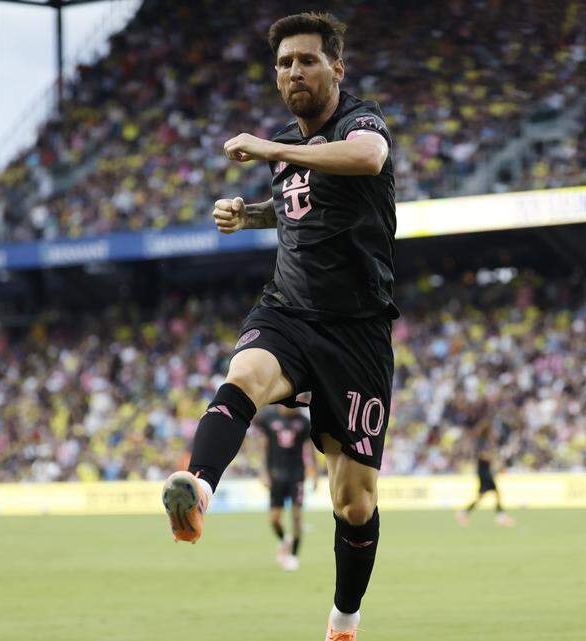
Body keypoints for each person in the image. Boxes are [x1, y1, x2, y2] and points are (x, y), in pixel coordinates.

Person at [159, 12, 396, 640]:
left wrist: (272, 149)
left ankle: (344, 621)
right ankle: (199, 487)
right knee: (245, 373)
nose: (294, 71)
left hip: (357, 332)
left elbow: (368, 161)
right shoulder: (285, 148)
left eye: (307, 60)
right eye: (284, 62)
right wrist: (251, 214)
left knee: (354, 502)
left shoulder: (360, 123)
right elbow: (300, 210)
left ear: (337, 67)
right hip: (288, 309)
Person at [257, 406, 316, 570]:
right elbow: (263, 446)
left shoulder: (303, 421)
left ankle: (294, 556)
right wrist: (263, 472)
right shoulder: (269, 419)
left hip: (297, 475)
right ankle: (285, 540)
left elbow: (309, 448)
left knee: (297, 518)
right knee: (274, 519)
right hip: (276, 475)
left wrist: (315, 474)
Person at [455, 426, 514, 527]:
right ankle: (500, 516)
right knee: (495, 492)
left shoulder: (484, 442)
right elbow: (483, 455)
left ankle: (464, 512)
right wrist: (494, 458)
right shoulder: (482, 442)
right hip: (484, 472)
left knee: (482, 495)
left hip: (484, 471)